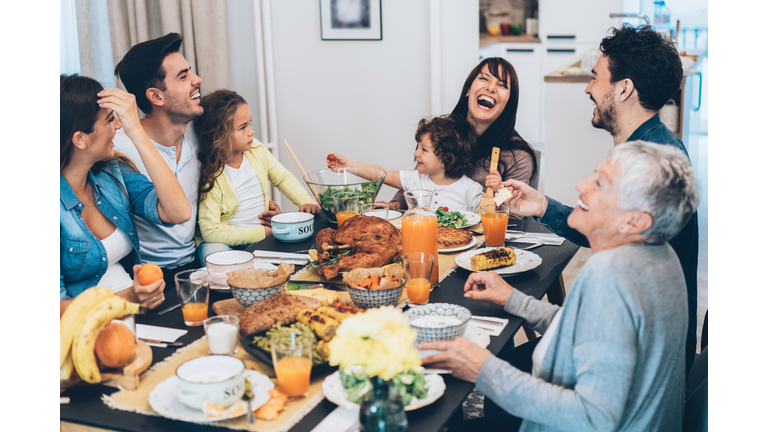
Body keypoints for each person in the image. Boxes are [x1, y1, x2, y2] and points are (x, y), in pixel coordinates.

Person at [422, 141, 699, 432]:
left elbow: (594, 418)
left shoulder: (611, 275)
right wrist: (513, 299)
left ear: (635, 220)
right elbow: (589, 330)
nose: (581, 184)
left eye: (600, 184)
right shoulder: (661, 255)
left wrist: (482, 369)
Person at [501, 24, 700, 374]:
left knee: (503, 363)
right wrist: (543, 206)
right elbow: (611, 229)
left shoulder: (648, 167)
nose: (588, 88)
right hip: (639, 344)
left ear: (624, 89)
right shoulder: (649, 147)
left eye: (595, 77)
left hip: (640, 360)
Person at [60, 74, 191, 309]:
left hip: (138, 313)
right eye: (111, 120)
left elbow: (178, 212)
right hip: (86, 331)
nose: (119, 126)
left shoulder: (113, 173)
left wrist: (137, 132)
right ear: (80, 139)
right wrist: (128, 297)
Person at [388, 57, 538, 211]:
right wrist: (396, 203)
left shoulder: (517, 157)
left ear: (509, 102)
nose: (491, 88)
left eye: (502, 85)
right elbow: (420, 178)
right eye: (484, 79)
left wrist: (499, 190)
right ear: (468, 89)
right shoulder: (443, 132)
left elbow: (511, 214)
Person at [193, 90, 320, 263]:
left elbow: (282, 178)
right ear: (219, 135)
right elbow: (211, 231)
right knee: (213, 252)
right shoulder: (211, 174)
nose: (251, 132)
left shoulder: (256, 150)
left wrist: (305, 201)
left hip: (260, 234)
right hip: (225, 242)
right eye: (243, 127)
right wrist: (264, 233)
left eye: (250, 124)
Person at [328, 114, 484, 212]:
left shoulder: (470, 190)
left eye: (424, 150)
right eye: (418, 147)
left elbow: (489, 215)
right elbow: (380, 174)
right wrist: (348, 165)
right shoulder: (415, 180)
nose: (416, 153)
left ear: (447, 160)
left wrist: (498, 190)